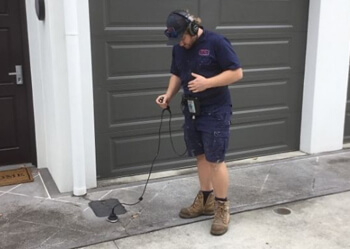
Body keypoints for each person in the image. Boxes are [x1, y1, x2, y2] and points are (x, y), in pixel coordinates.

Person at [155, 10, 243, 236]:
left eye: (182, 38)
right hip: (192, 111)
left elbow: (236, 73)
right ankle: (206, 200)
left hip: (216, 111)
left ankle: (222, 207)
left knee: (216, 160)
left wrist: (208, 83)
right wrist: (168, 96)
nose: (181, 43)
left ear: (193, 30)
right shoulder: (178, 48)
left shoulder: (217, 42)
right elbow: (177, 74)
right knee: (201, 156)